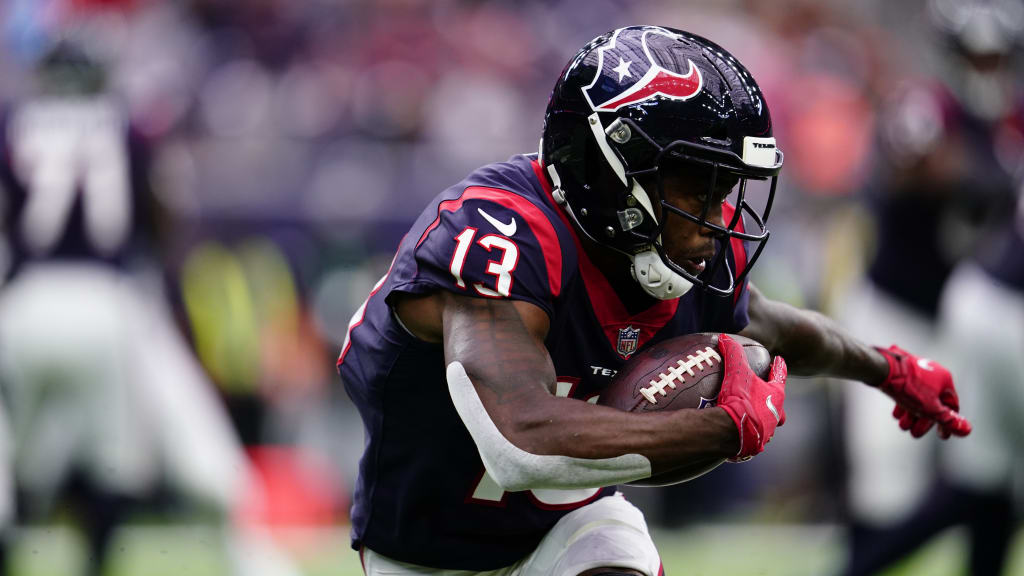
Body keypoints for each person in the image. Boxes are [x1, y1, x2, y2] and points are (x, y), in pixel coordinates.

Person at [337, 26, 971, 576]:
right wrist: (718, 427)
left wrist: (888, 369)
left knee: (616, 553)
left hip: (567, 533)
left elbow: (780, 328)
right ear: (610, 168)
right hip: (421, 555)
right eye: (698, 185)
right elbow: (519, 440)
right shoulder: (502, 235)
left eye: (727, 186)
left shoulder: (672, 245)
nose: (718, 216)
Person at [0, 41, 300, 576]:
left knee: (19, 451)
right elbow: (164, 216)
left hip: (22, 301)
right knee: (116, 453)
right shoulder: (129, 128)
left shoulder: (13, 122)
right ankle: (100, 559)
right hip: (106, 299)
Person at [840, 1, 1023, 571]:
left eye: (996, 57)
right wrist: (980, 173)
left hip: (964, 319)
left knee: (985, 472)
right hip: (897, 309)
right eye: (975, 55)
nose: (985, 68)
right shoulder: (926, 106)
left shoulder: (1009, 121)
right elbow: (911, 163)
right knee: (886, 468)